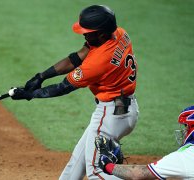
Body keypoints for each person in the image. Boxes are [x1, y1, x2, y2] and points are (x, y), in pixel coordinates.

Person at [11, 5, 139, 179]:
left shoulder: (98, 63)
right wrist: (41, 76)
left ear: (101, 33)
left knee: (96, 171)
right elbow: (77, 57)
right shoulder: (119, 34)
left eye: (88, 31)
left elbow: (63, 87)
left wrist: (29, 95)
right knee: (77, 163)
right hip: (123, 109)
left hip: (111, 115)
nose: (84, 34)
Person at [97, 105, 194, 179]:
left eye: (187, 127)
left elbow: (137, 174)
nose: (185, 131)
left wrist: (107, 165)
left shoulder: (184, 157)